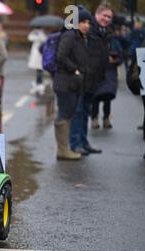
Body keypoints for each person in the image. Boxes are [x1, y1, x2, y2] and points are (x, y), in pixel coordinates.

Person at [70, 4, 112, 156]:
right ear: (97, 14)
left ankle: (83, 142)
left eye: (109, 17)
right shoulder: (87, 30)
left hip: (93, 81)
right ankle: (75, 144)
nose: (106, 19)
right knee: (78, 113)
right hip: (82, 80)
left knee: (85, 113)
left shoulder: (103, 32)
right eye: (104, 16)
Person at [52, 10, 92, 161]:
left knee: (68, 115)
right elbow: (61, 56)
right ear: (76, 22)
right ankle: (63, 150)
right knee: (63, 116)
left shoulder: (80, 37)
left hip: (72, 84)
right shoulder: (70, 36)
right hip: (65, 84)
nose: (86, 25)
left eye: (88, 23)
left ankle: (64, 148)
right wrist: (74, 69)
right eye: (83, 22)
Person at [91, 26, 123, 130]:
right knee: (95, 96)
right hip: (97, 71)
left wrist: (115, 60)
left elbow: (120, 57)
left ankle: (105, 118)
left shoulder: (114, 42)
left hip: (109, 71)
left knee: (107, 96)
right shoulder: (95, 40)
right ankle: (95, 118)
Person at [27, 28, 47, 96]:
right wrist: (35, 34)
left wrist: (40, 35)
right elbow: (30, 38)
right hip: (35, 54)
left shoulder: (43, 33)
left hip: (41, 54)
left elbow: (44, 39)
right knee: (38, 70)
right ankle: (38, 85)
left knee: (40, 71)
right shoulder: (34, 32)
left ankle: (40, 85)